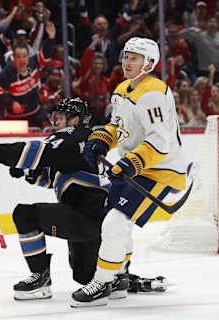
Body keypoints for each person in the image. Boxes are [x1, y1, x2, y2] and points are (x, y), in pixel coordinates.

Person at [0, 97, 167, 301]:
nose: (55, 120)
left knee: (25, 214)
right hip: (95, 223)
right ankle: (117, 279)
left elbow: (34, 152)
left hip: (85, 218)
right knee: (84, 277)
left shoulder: (75, 136)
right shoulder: (82, 144)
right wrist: (27, 173)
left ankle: (40, 277)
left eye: (61, 116)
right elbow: (59, 179)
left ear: (75, 120)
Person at [76, 37, 187, 307]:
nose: (127, 62)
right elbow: (119, 126)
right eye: (126, 56)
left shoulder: (153, 93)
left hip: (160, 170)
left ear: (149, 63)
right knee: (115, 221)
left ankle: (103, 281)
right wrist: (101, 138)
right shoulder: (123, 88)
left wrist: (130, 162)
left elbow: (160, 142)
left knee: (115, 222)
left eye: (134, 58)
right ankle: (119, 277)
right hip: (136, 167)